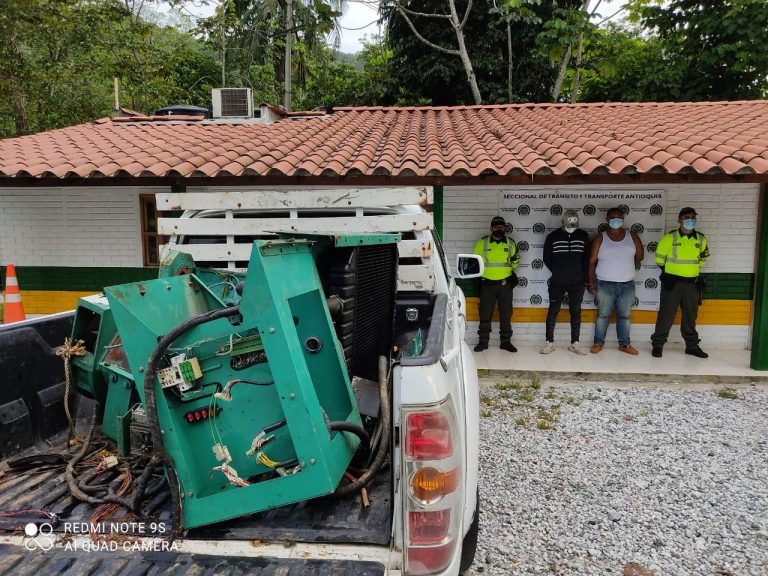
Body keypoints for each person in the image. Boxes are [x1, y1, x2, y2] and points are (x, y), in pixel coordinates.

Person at [650, 207, 710, 358]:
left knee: (690, 316)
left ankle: (692, 346)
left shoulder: (701, 239)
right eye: (687, 217)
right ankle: (658, 345)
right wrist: (670, 274)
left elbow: (702, 260)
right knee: (666, 315)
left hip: (692, 285)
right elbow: (659, 259)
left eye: (693, 217)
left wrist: (689, 272)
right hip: (673, 284)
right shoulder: (669, 238)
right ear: (679, 220)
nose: (690, 220)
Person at [587, 207, 644, 355]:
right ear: (607, 220)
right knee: (603, 315)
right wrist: (591, 282)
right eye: (613, 217)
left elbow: (639, 256)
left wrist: (627, 265)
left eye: (619, 217)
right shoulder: (600, 238)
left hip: (627, 284)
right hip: (605, 284)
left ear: (623, 219)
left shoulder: (632, 236)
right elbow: (591, 262)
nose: (616, 220)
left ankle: (624, 345)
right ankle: (598, 343)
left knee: (625, 316)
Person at [540, 209, 590, 355]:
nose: (572, 227)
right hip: (557, 281)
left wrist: (581, 275)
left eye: (574, 224)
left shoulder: (583, 235)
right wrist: (558, 271)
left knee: (576, 312)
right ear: (563, 222)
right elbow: (547, 258)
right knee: (553, 311)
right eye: (569, 224)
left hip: (577, 282)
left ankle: (575, 343)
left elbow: (586, 258)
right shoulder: (553, 236)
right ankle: (549, 343)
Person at [473, 216, 520, 353]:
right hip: (487, 285)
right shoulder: (482, 243)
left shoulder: (510, 243)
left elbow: (516, 260)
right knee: (485, 314)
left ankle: (505, 342)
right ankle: (483, 342)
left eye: (501, 226)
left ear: (505, 228)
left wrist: (507, 272)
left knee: (506, 314)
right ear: (491, 227)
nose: (499, 228)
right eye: (496, 226)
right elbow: (475, 261)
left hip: (505, 285)